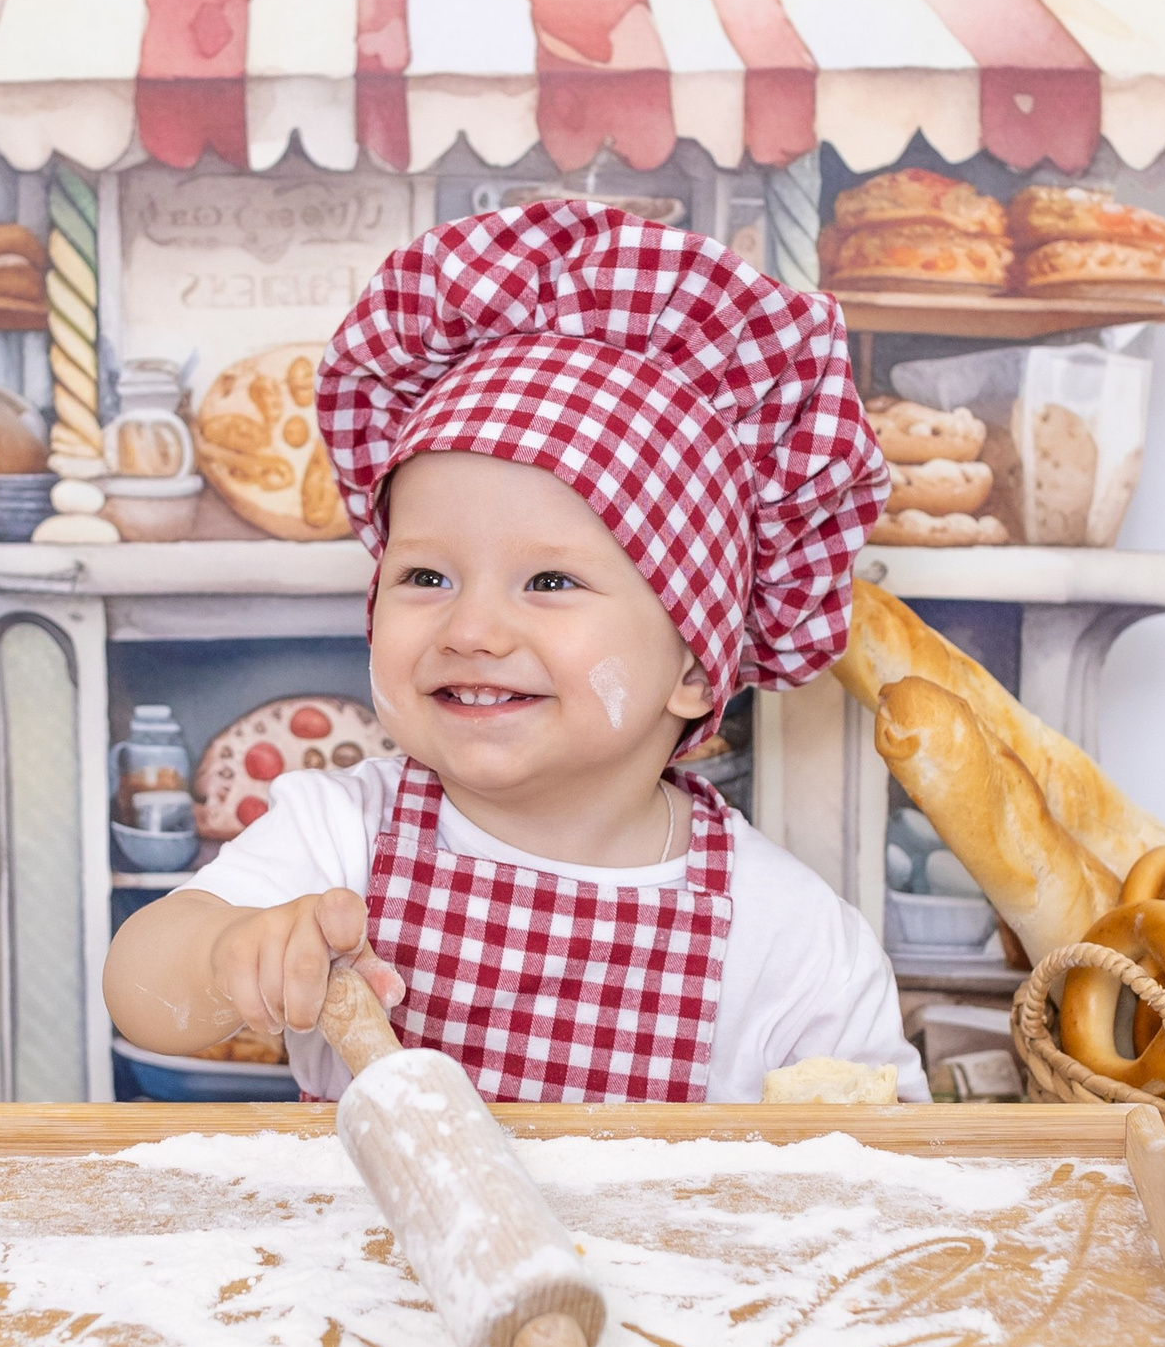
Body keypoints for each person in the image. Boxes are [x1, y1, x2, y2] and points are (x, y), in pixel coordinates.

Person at [102, 200, 923, 1102]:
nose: (472, 630)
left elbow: (881, 1172)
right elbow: (139, 988)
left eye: (550, 583)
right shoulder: (342, 839)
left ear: (694, 664)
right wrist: (226, 961)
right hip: (363, 1252)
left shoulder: (791, 941)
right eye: (425, 577)